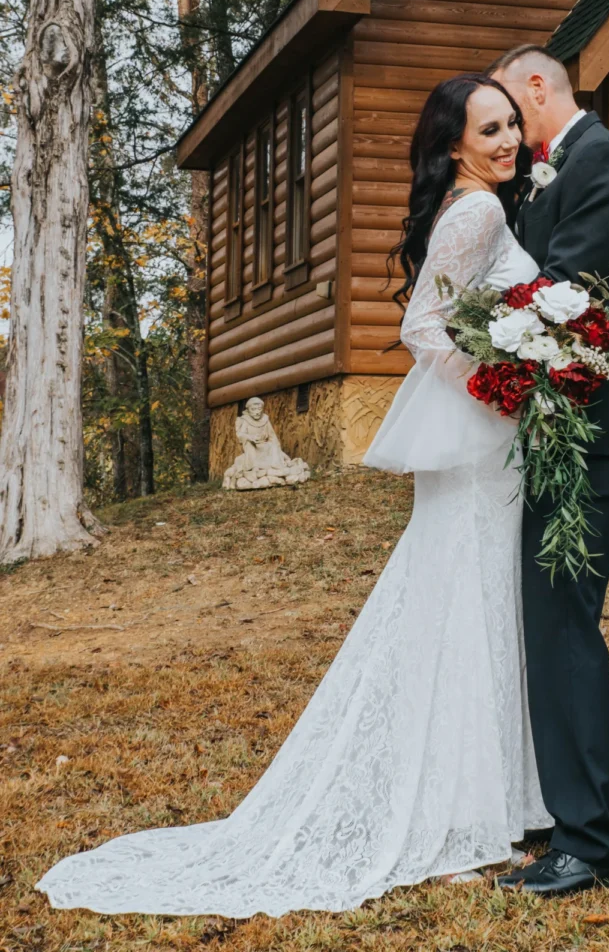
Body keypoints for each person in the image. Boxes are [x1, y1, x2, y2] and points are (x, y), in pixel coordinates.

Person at [36, 74, 552, 918]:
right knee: (469, 606)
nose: (505, 141)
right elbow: (422, 327)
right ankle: (458, 817)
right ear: (453, 145)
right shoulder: (481, 211)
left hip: (483, 447)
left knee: (469, 606)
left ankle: (483, 803)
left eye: (510, 126)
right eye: (487, 129)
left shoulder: (479, 204)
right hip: (482, 439)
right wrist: (500, 384)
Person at [488, 46, 609, 899]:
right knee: (551, 623)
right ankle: (573, 815)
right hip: (556, 424)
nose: (508, 137)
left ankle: (589, 843)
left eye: (508, 117)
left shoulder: (605, 163)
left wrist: (479, 334)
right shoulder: (556, 173)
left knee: (564, 625)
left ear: (534, 88)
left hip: (590, 430)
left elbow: (565, 295)